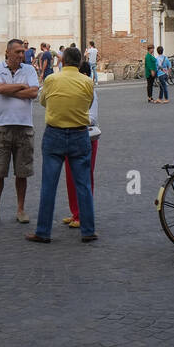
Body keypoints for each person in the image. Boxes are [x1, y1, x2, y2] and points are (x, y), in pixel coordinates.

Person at [26, 46, 97, 244]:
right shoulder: (87, 82)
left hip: (54, 134)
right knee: (83, 185)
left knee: (49, 185)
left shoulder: (51, 80)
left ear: (62, 61)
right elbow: (88, 104)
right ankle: (88, 230)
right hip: (80, 135)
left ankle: (43, 231)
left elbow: (42, 102)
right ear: (80, 63)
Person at [0, 39, 39, 226]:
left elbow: (34, 93)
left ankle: (21, 209)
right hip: (1, 126)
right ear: (7, 52)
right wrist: (21, 86)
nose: (21, 55)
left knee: (22, 172)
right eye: (17, 52)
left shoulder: (30, 70)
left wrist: (9, 91)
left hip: (24, 126)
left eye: (22, 52)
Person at [62, 59, 101, 230]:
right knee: (70, 178)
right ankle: (75, 212)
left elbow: (92, 118)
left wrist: (71, 116)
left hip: (86, 137)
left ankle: (83, 214)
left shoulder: (90, 90)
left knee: (84, 177)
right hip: (69, 135)